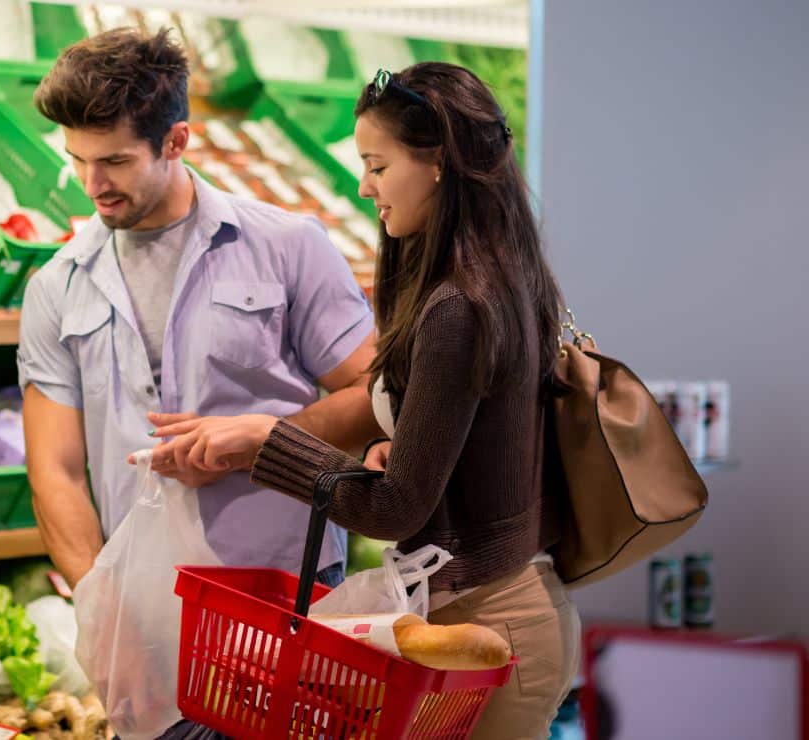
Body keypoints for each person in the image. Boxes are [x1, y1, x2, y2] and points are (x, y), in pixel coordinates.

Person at [148, 63, 581, 740]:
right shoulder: (498, 275)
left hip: (490, 632)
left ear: (437, 162)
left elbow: (394, 510)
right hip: (492, 610)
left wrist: (268, 440)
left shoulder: (457, 307)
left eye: (377, 165)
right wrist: (399, 446)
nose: (363, 186)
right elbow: (475, 446)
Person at [18, 27, 381, 595]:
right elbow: (55, 471)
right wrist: (97, 599)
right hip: (138, 589)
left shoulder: (287, 246)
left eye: (115, 160)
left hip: (282, 579)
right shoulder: (58, 286)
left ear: (176, 141)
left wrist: (260, 443)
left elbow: (376, 395)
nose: (93, 184)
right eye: (78, 159)